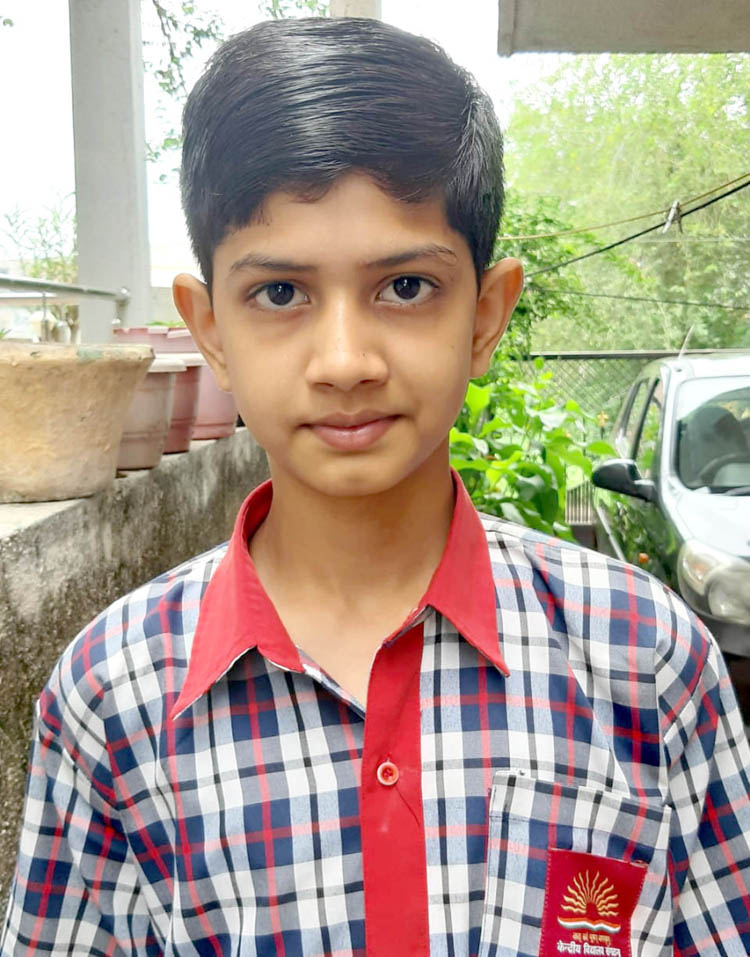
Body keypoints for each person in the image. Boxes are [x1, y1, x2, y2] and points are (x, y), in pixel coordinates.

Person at [3, 16, 750, 957]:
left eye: (404, 287)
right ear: (210, 330)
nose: (346, 360)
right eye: (281, 293)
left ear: (485, 316)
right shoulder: (112, 698)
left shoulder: (647, 662)